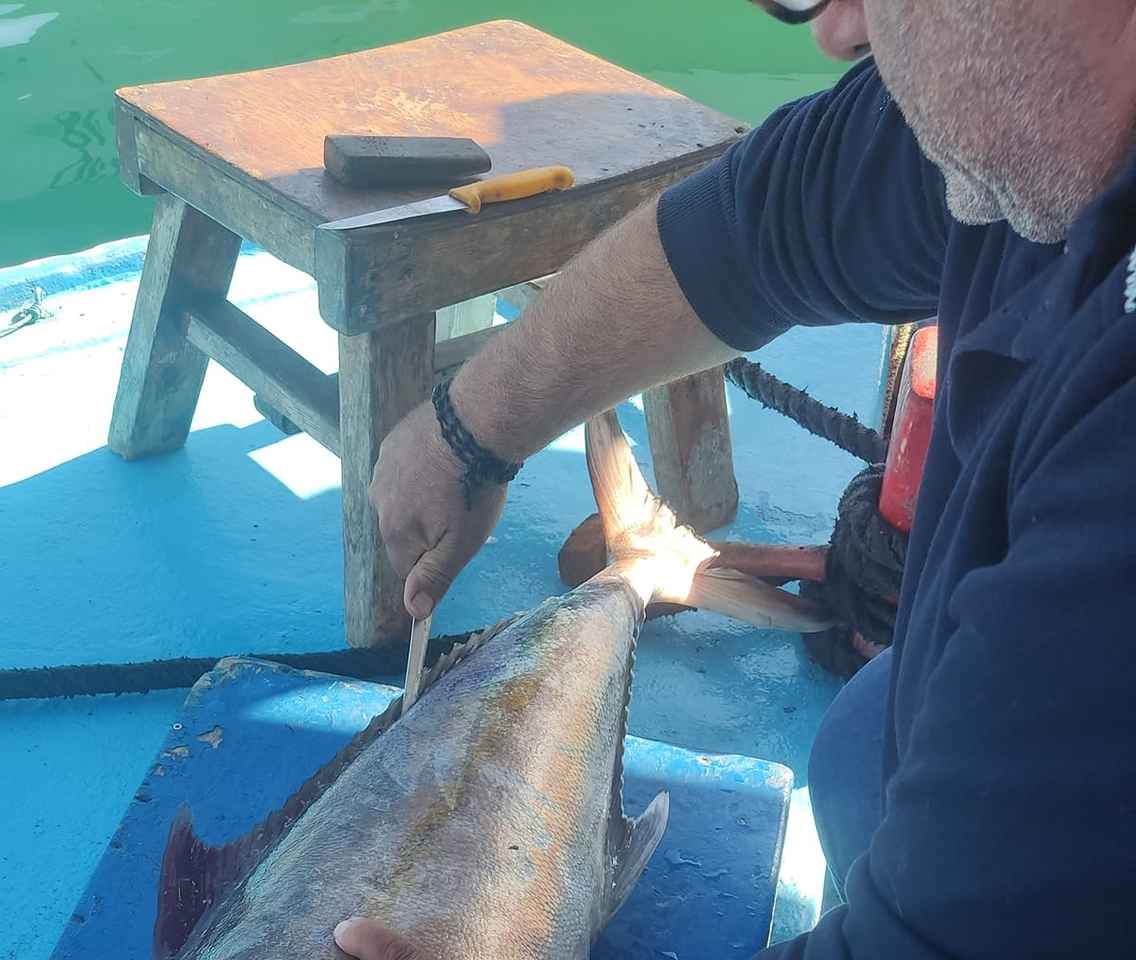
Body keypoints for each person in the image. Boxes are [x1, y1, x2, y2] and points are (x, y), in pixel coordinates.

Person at [340, 0, 1136, 956]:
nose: (838, 33)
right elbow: (765, 219)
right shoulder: (1031, 107)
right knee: (855, 751)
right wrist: (469, 430)